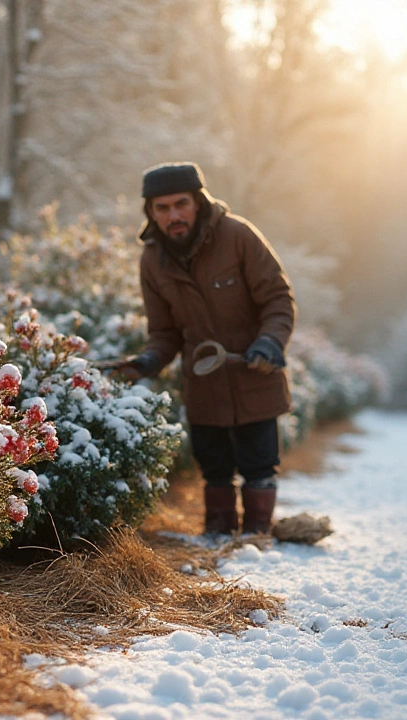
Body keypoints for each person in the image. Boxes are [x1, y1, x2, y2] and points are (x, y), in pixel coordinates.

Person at [119, 162, 295, 535]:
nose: (173, 215)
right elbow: (164, 331)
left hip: (255, 375)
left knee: (259, 465)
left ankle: (257, 536)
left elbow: (278, 299)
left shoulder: (238, 235)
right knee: (213, 468)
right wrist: (150, 359)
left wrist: (269, 342)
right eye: (162, 208)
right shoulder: (153, 260)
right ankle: (218, 536)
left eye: (181, 204)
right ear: (150, 212)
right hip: (203, 385)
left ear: (198, 202)